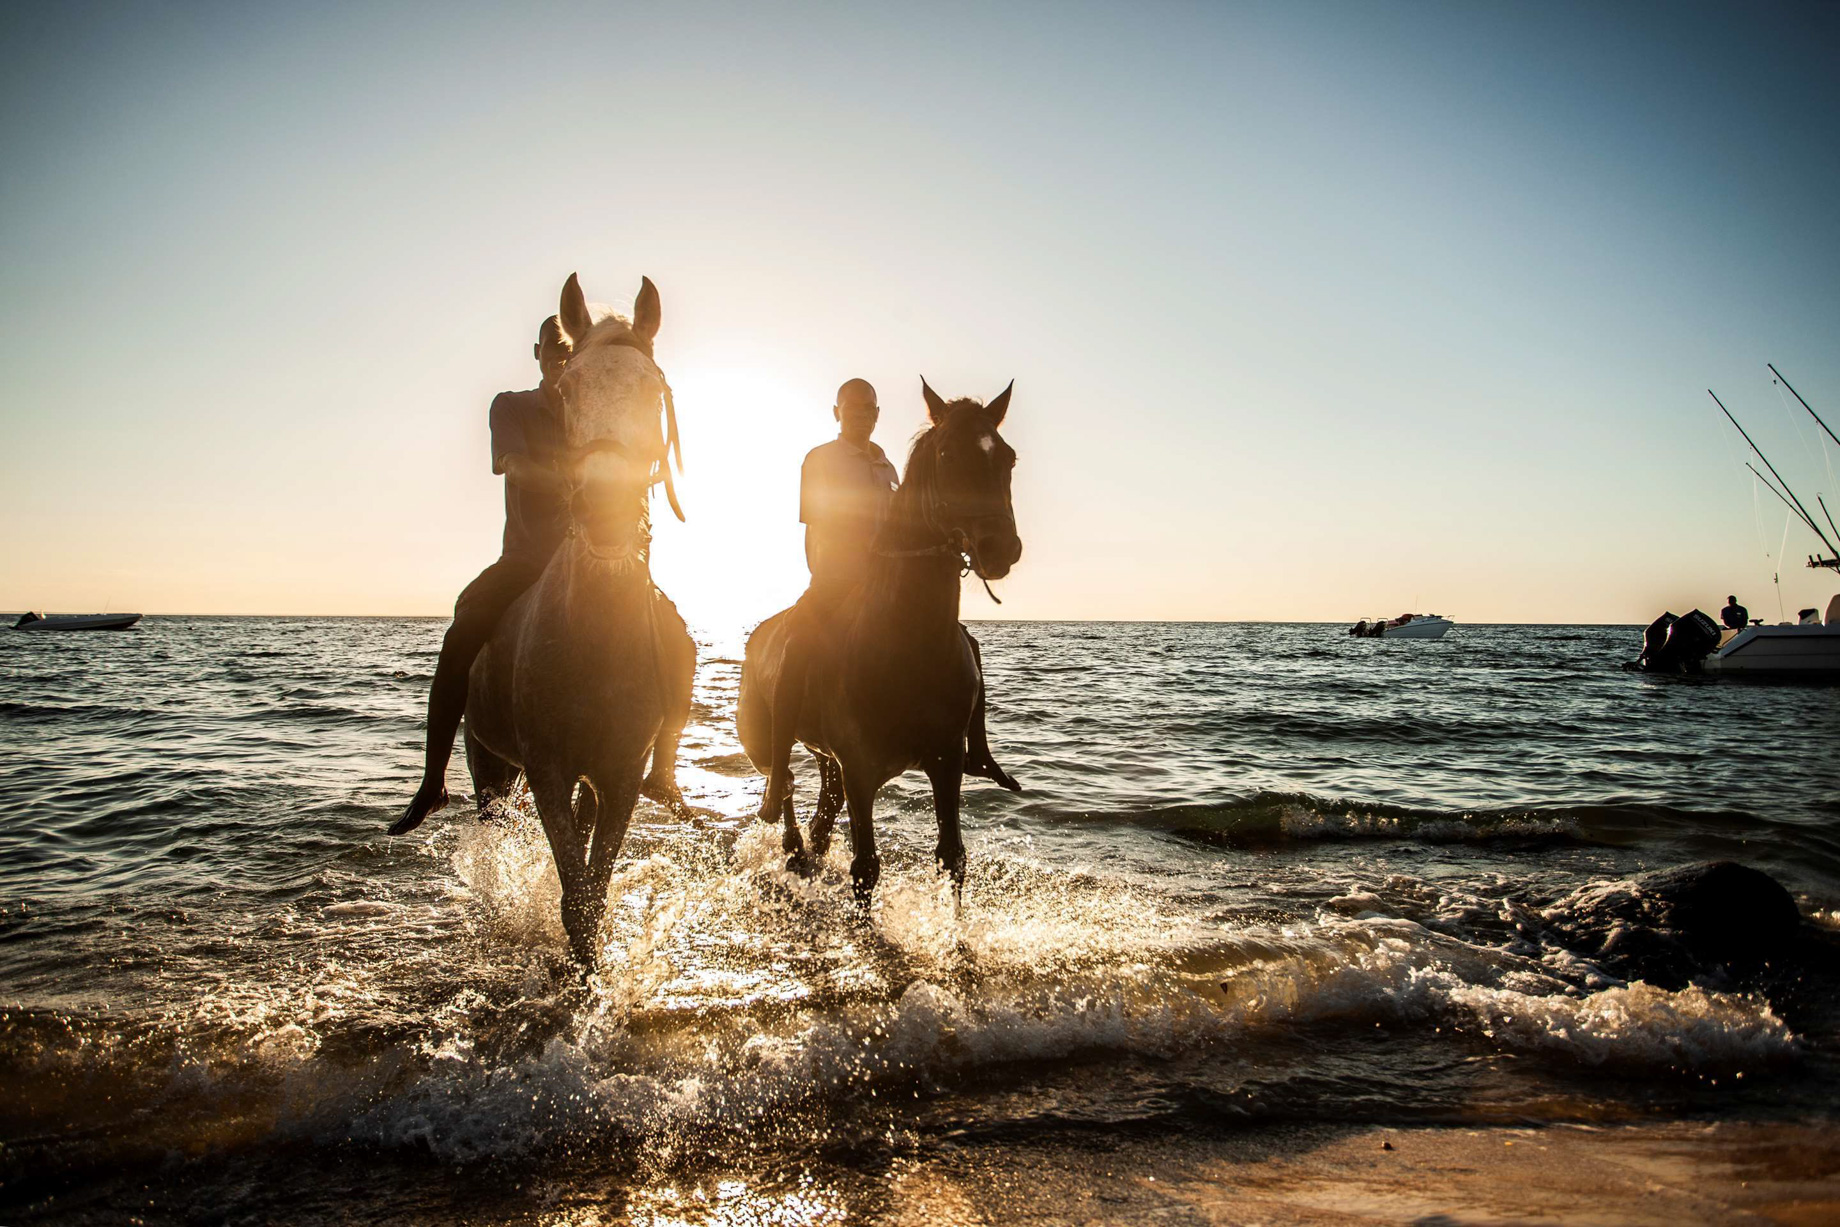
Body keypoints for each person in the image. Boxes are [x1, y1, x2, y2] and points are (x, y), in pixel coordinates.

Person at [758, 379, 1017, 821]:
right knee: (799, 646)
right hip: (837, 574)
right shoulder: (820, 459)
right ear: (837, 412)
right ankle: (778, 772)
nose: (861, 415)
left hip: (885, 573)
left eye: (869, 409)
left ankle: (978, 752)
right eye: (852, 407)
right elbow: (817, 523)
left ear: (877, 415)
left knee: (967, 645)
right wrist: (833, 569)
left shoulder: (887, 465)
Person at [392, 317, 574, 835]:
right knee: (462, 632)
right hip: (526, 560)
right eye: (554, 348)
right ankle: (433, 781)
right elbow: (513, 466)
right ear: (537, 352)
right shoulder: (511, 406)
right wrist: (579, 475)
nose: (563, 357)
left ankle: (659, 768)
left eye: (571, 351)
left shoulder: (592, 410)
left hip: (589, 562)